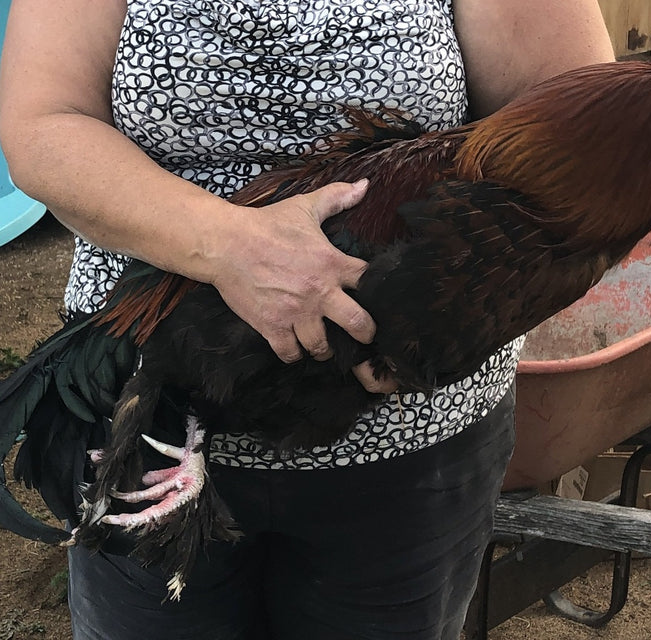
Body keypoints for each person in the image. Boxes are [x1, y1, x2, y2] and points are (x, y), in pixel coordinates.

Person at [0, 1, 615, 638]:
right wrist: (234, 246)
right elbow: (45, 124)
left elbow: (581, 146)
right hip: (153, 410)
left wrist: (447, 329)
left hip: (407, 435)